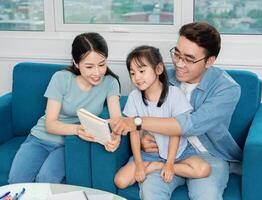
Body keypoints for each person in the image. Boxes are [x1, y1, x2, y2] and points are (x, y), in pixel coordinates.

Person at [110, 22, 242, 200]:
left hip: (208, 155)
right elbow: (141, 106)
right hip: (163, 152)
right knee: (151, 192)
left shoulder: (227, 89)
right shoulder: (164, 77)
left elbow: (189, 125)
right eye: (176, 54)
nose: (179, 64)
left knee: (206, 196)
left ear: (209, 61)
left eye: (188, 59)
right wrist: (142, 137)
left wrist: (137, 122)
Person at [8, 32, 122, 183]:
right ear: (76, 63)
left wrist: (116, 138)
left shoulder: (110, 83)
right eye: (89, 66)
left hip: (69, 144)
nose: (97, 72)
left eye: (102, 64)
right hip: (40, 138)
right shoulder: (61, 78)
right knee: (16, 181)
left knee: (46, 179)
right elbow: (50, 124)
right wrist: (78, 129)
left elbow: (117, 120)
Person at [114, 45, 211, 190]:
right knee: (120, 181)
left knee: (204, 169)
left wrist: (169, 164)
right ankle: (158, 165)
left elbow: (176, 131)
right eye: (132, 73)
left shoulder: (174, 94)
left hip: (179, 153)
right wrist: (139, 165)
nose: (137, 77)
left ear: (158, 69)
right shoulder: (134, 97)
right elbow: (134, 133)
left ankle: (158, 167)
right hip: (150, 153)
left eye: (141, 71)